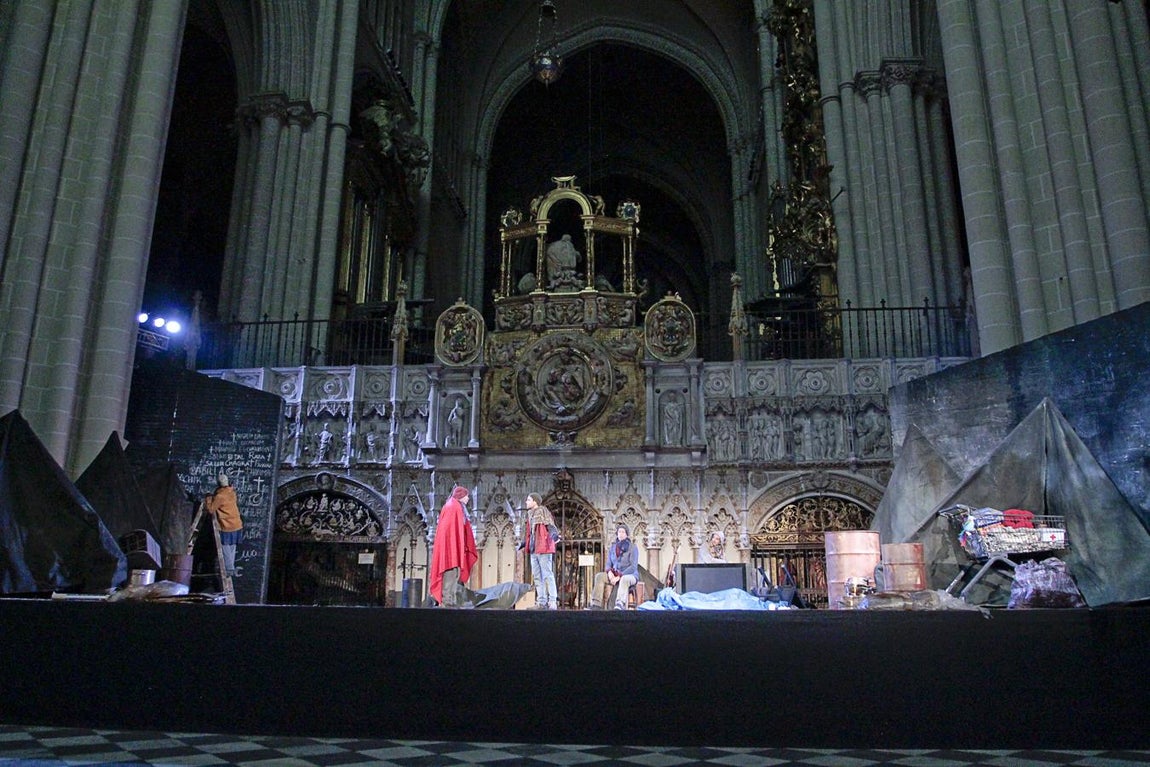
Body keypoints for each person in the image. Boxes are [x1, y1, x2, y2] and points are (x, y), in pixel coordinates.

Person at [429, 486, 477, 608]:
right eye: (466, 496)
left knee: (455, 574)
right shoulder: (452, 507)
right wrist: (453, 549)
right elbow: (448, 532)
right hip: (450, 549)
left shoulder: (457, 507)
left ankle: (451, 600)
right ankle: (447, 601)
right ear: (460, 496)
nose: (468, 498)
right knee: (450, 573)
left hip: (454, 547)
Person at [520, 493, 560, 609]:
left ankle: (552, 601)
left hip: (543, 548)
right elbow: (530, 532)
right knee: (537, 576)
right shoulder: (529, 514)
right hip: (534, 550)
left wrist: (554, 535)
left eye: (529, 500)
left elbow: (550, 525)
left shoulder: (543, 511)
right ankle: (541, 601)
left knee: (547, 574)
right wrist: (524, 543)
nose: (526, 502)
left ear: (535, 501)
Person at [590, 523, 639, 609]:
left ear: (627, 534)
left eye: (623, 532)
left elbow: (633, 567)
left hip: (630, 575)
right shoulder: (613, 547)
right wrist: (609, 572)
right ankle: (596, 604)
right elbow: (608, 563)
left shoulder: (633, 547)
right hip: (615, 573)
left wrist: (619, 576)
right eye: (619, 532)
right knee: (599, 576)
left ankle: (620, 603)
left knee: (624, 579)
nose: (621, 534)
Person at [204, 473, 243, 578]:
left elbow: (211, 509)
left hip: (227, 525)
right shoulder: (232, 492)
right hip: (237, 524)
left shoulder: (220, 496)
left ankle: (229, 570)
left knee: (225, 547)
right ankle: (231, 568)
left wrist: (208, 498)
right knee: (232, 547)